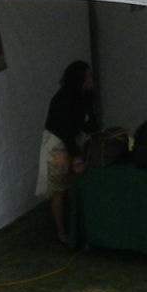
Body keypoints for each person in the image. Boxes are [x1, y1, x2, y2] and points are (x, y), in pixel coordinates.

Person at [43, 60, 99, 247]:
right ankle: (61, 231)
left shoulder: (86, 95)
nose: (91, 80)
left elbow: (89, 120)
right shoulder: (63, 100)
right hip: (57, 143)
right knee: (58, 188)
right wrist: (76, 158)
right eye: (88, 76)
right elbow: (65, 132)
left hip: (73, 139)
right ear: (79, 79)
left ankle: (77, 223)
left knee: (75, 183)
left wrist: (98, 135)